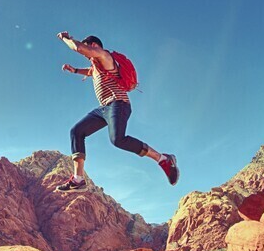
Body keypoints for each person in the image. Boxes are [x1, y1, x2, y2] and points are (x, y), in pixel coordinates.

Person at [55, 31, 178, 192]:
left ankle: (163, 159)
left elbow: (78, 48)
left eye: (88, 48)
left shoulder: (104, 55)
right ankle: (78, 180)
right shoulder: (96, 65)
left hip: (118, 104)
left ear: (93, 45)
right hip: (104, 108)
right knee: (76, 131)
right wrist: (75, 70)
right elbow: (90, 71)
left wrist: (66, 38)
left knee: (118, 139)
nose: (86, 55)